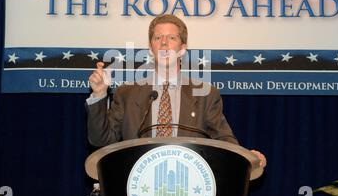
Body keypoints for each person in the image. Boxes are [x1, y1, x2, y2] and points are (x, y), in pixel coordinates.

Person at [86, 14, 266, 167]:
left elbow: (224, 139)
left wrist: (245, 157)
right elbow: (101, 141)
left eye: (171, 38)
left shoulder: (205, 94)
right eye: (158, 38)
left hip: (189, 184)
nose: (164, 44)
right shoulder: (127, 94)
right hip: (138, 182)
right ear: (151, 49)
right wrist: (100, 94)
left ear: (182, 49)